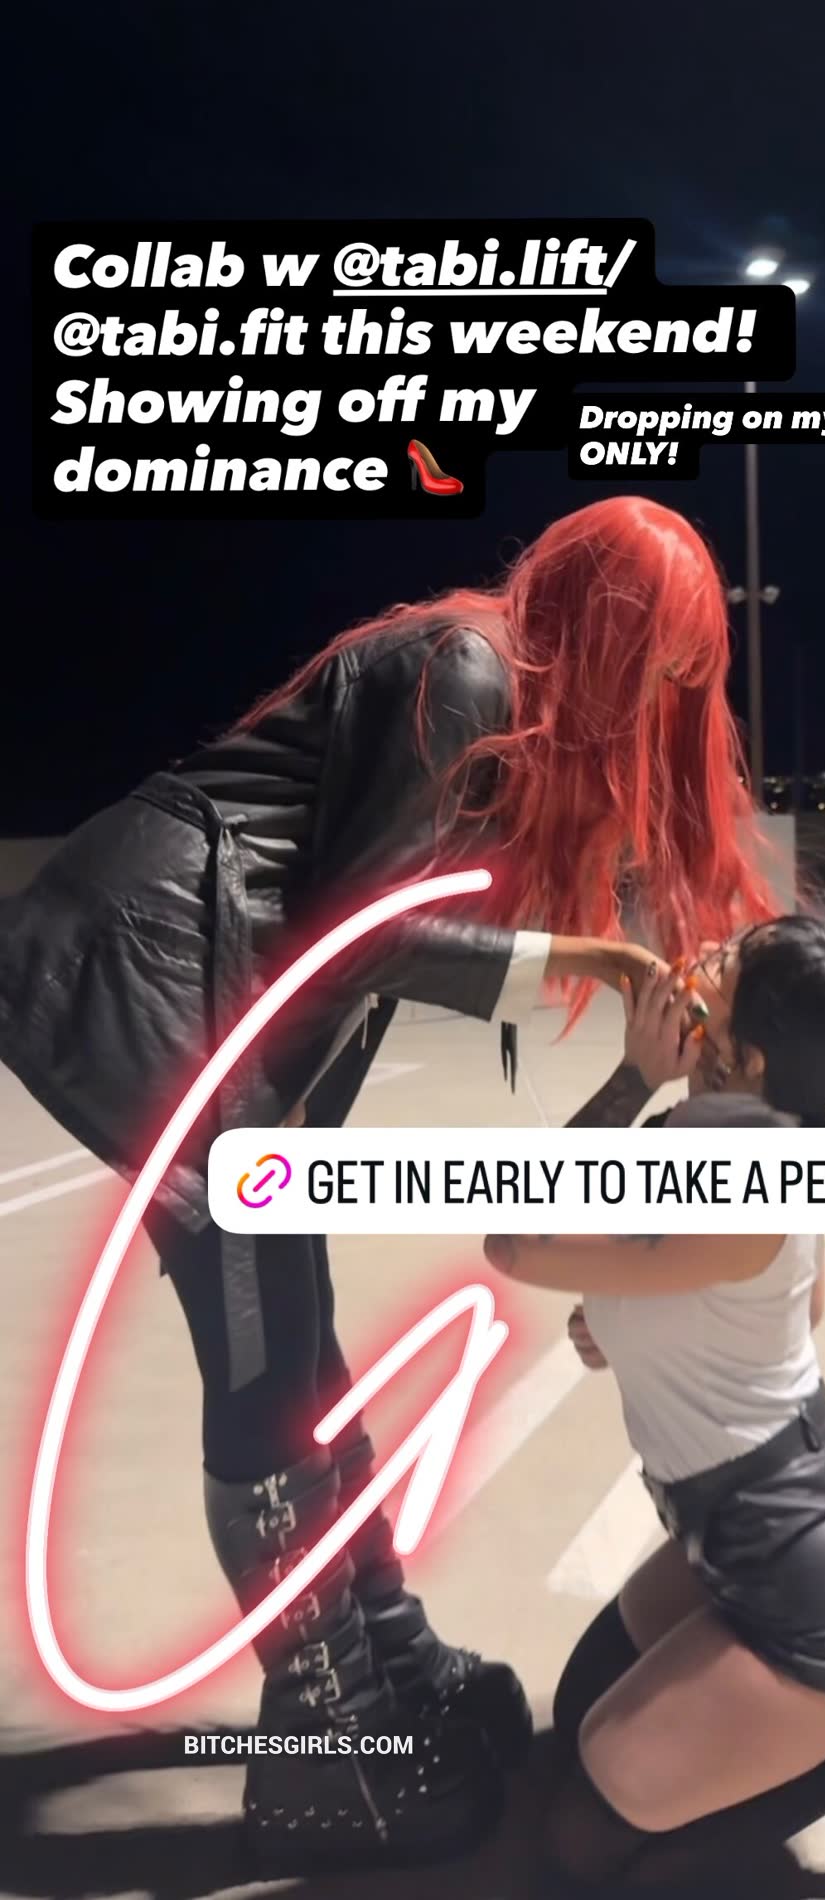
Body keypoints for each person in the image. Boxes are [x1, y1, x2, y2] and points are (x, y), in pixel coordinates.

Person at [0, 497, 776, 1877]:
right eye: (655, 658)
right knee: (265, 1367)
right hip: (154, 973)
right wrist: (590, 961)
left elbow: (343, 944)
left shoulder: (493, 688)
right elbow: (361, 928)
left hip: (216, 993)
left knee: (298, 1352)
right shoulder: (468, 666)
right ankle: (329, 1752)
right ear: (601, 622)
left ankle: (381, 1667)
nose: (660, 694)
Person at [485, 922, 825, 1900]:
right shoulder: (747, 1136)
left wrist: (633, 1076)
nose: (696, 959)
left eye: (722, 967)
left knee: (586, 1846)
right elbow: (800, 1304)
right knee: (583, 1721)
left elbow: (515, 1235)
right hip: (752, 1519)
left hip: (815, 1573)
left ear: (748, 1056)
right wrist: (639, 1321)